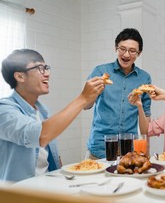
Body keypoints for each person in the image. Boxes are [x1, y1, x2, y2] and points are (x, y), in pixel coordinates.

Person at [0, 49, 104, 182]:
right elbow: (41, 136)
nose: (47, 74)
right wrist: (83, 98)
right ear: (20, 77)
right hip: (18, 194)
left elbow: (51, 158)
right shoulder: (4, 110)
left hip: (47, 187)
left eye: (47, 68)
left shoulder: (43, 112)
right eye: (40, 68)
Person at [85, 28, 152, 159]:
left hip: (129, 151)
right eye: (122, 49)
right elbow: (85, 106)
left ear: (139, 53)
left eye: (132, 51)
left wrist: (147, 150)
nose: (126, 55)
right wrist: (92, 93)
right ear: (116, 48)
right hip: (99, 149)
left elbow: (145, 129)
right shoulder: (99, 71)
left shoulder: (145, 79)